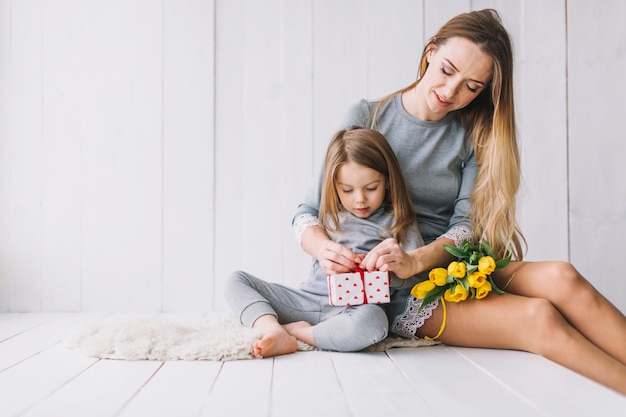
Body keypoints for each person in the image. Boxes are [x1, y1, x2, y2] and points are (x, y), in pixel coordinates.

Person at [293, 9, 626, 395]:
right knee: (539, 317)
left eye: (472, 86)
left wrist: (418, 259)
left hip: (444, 263)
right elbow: (307, 213)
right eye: (448, 70)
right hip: (397, 291)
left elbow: (464, 228)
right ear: (430, 51)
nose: (451, 92)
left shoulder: (472, 134)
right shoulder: (368, 116)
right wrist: (325, 248)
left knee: (562, 277)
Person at [225, 127, 426, 358]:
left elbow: (416, 279)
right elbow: (310, 239)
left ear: (388, 182)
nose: (360, 199)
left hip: (355, 310)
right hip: (307, 300)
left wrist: (393, 272)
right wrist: (324, 251)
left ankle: (299, 333)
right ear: (334, 185)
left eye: (371, 188)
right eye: (347, 190)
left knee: (374, 323)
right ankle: (271, 329)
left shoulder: (400, 222)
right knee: (235, 281)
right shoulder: (326, 217)